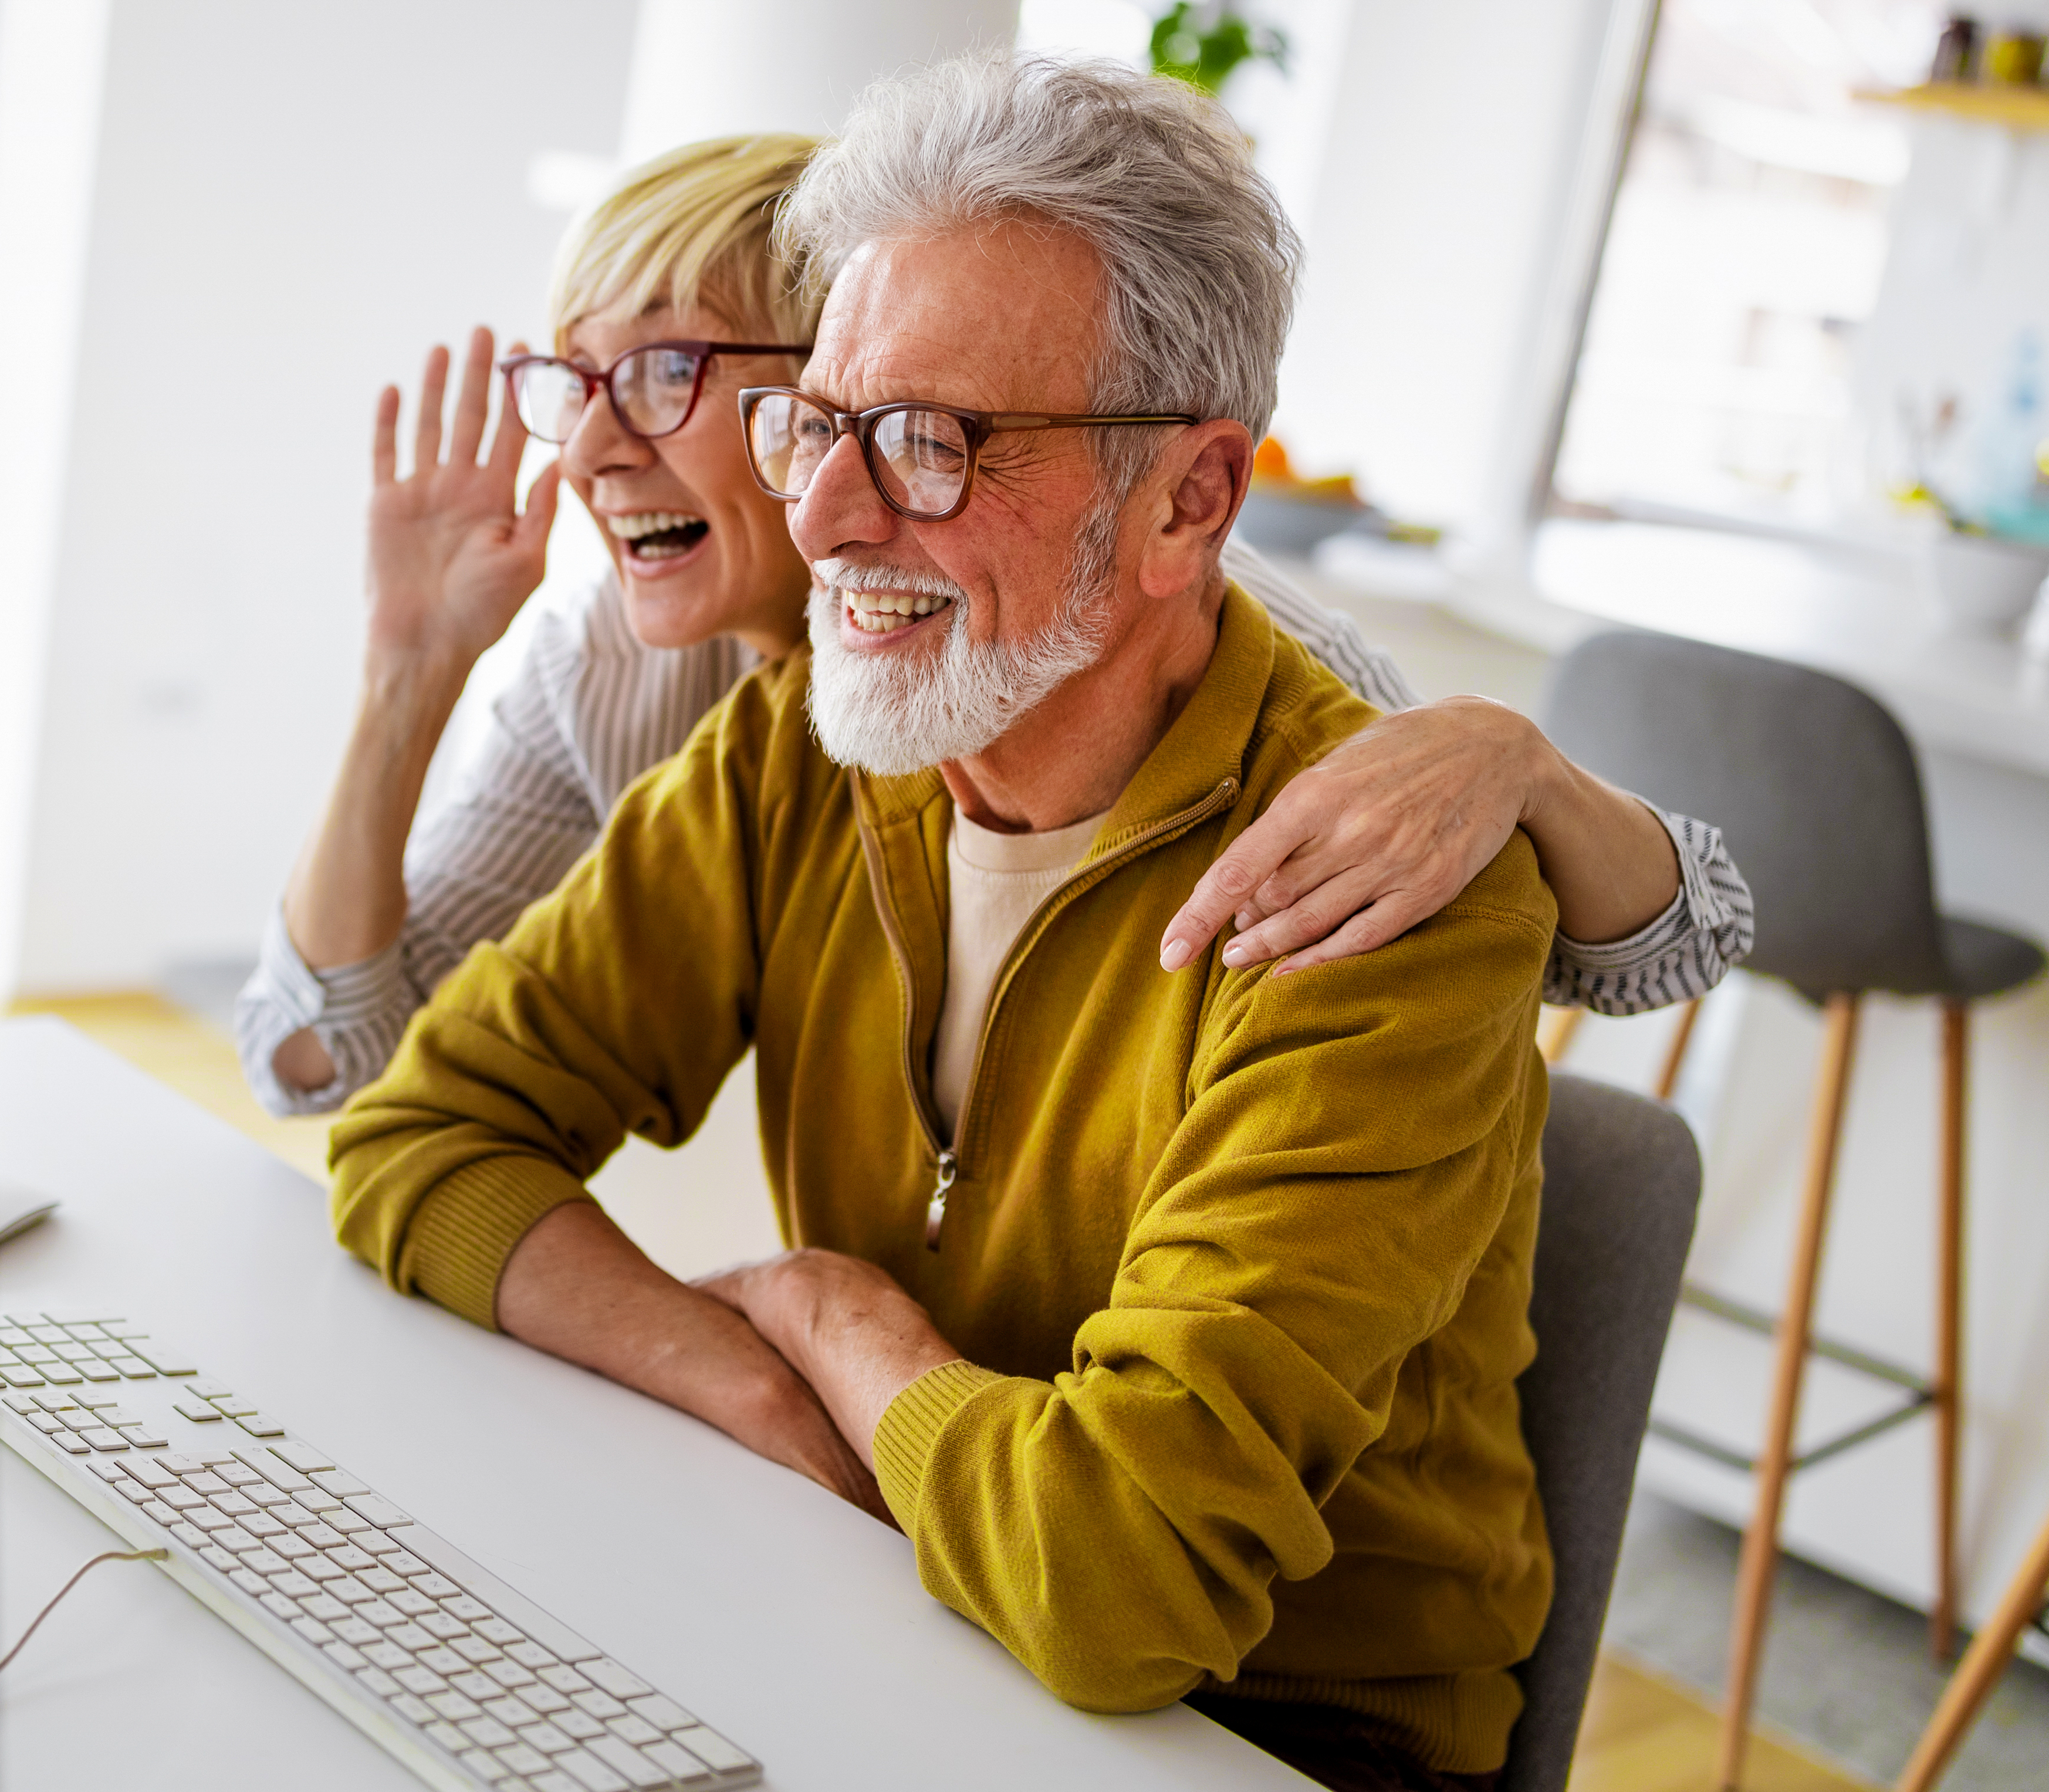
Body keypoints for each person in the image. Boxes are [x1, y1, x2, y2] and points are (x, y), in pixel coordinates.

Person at [330, 56, 1609, 1792]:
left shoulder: (1388, 900)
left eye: (934, 445)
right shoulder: (808, 743)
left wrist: (833, 1318)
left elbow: (1124, 1586)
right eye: (821, 427)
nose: (830, 516)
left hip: (1258, 1736)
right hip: (893, 1596)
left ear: (1186, 504)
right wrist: (749, 1382)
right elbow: (416, 1137)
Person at [232, 134, 1749, 1119]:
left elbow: (1637, 961)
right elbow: (327, 1064)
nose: (590, 452)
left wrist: (1515, 763)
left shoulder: (1199, 661)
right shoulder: (624, 681)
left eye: (668, 374)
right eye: (576, 383)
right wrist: (406, 678)